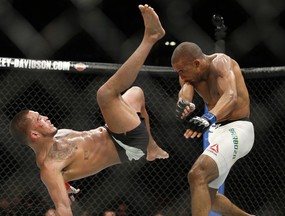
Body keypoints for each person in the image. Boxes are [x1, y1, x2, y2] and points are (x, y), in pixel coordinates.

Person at [9, 4, 168, 216]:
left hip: (116, 132)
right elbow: (63, 207)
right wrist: (63, 189)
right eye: (39, 119)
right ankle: (151, 37)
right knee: (105, 94)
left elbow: (71, 166)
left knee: (136, 93)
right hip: (127, 145)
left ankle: (152, 146)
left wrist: (66, 184)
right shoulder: (50, 167)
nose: (45, 116)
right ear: (34, 134)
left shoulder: (60, 137)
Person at [171, 42, 255, 216]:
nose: (180, 75)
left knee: (197, 174)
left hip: (238, 128)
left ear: (196, 63)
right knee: (209, 198)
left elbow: (230, 96)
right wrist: (184, 103)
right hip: (217, 131)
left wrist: (209, 117)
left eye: (181, 70)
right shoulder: (189, 76)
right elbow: (185, 91)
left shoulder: (221, 63)